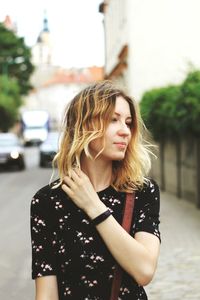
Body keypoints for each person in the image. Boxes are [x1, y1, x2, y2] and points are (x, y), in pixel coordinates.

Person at [30, 80, 161, 300]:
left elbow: (145, 271)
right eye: (113, 120)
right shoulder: (47, 201)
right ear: (84, 126)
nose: (125, 132)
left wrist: (94, 206)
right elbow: (46, 293)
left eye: (128, 123)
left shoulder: (142, 191)